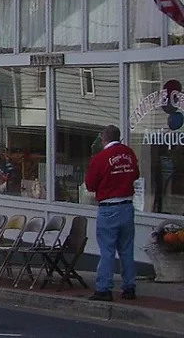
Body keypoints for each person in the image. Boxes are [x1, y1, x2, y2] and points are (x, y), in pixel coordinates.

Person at [85, 124, 140, 301]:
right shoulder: (129, 153)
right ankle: (129, 287)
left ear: (104, 138)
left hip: (109, 207)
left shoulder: (101, 158)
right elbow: (135, 175)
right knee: (126, 249)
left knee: (107, 250)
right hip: (127, 206)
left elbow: (91, 185)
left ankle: (104, 289)